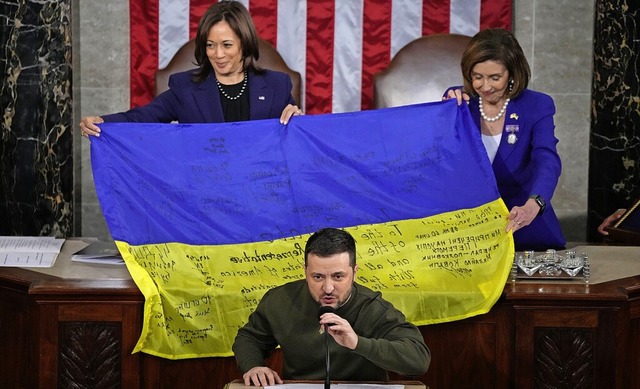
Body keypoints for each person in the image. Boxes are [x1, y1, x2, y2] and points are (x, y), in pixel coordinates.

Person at [232, 228, 431, 387]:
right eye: (317, 277)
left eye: (338, 276)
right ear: (305, 271)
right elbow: (249, 338)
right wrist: (254, 366)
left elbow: (418, 360)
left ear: (354, 272)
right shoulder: (280, 300)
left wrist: (357, 343)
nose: (328, 288)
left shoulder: (372, 307)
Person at [79, 1, 302, 138]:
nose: (218, 54)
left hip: (261, 192)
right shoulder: (185, 88)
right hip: (204, 194)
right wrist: (103, 122)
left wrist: (298, 121)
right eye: (210, 45)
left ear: (244, 44)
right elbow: (142, 117)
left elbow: (298, 139)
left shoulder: (277, 85)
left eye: (226, 45)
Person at [443, 28, 565, 251]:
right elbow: (439, 158)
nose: (485, 86)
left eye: (495, 77)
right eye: (477, 77)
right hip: (468, 234)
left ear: (512, 73)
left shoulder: (537, 105)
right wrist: (444, 112)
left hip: (522, 226)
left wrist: (534, 204)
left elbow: (547, 159)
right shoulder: (458, 102)